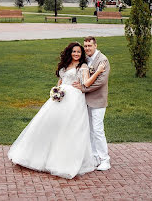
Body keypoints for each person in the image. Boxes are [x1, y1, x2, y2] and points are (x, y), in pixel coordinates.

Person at [8, 42, 104, 179]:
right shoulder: (65, 66)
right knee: (49, 124)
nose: (76, 54)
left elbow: (87, 83)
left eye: (79, 52)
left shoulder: (82, 66)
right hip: (59, 98)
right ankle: (35, 156)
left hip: (74, 100)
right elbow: (61, 79)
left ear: (81, 54)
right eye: (74, 51)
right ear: (69, 52)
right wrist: (57, 89)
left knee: (69, 128)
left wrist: (99, 71)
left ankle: (63, 161)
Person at [73, 36, 111, 171]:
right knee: (89, 130)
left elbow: (100, 82)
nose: (87, 48)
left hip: (98, 100)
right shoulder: (85, 59)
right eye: (86, 46)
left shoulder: (103, 60)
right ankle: (95, 157)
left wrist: (83, 88)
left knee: (98, 130)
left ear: (95, 45)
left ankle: (105, 159)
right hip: (85, 101)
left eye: (90, 46)